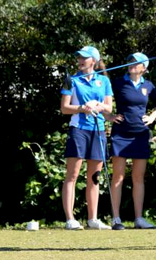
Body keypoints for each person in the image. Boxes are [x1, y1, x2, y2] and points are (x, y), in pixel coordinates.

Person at [106, 52, 156, 230]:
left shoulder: (149, 85)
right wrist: (109, 116)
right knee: (118, 176)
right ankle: (116, 219)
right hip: (121, 133)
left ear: (144, 68)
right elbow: (103, 99)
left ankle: (139, 219)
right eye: (130, 61)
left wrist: (153, 116)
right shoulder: (118, 82)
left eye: (136, 62)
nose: (131, 64)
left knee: (138, 177)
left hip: (140, 134)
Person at [60, 46, 114, 230]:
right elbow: (65, 108)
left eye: (84, 58)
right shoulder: (71, 80)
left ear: (94, 61)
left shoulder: (104, 81)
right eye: (79, 58)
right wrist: (83, 107)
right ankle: (70, 219)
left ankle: (93, 219)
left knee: (94, 177)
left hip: (98, 129)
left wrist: (98, 105)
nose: (80, 61)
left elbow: (109, 108)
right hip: (79, 129)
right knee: (72, 175)